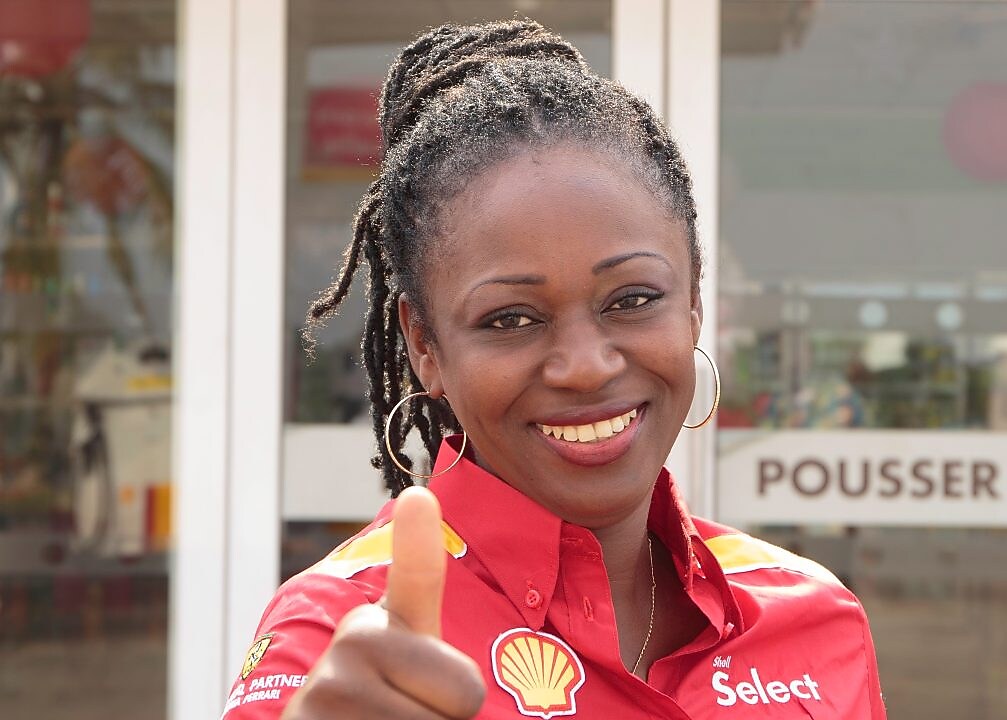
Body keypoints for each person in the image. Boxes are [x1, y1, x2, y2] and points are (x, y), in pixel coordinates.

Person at [223, 20, 886, 719]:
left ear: (692, 305)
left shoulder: (813, 619)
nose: (585, 367)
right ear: (424, 345)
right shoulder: (343, 644)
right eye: (511, 319)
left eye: (633, 300)